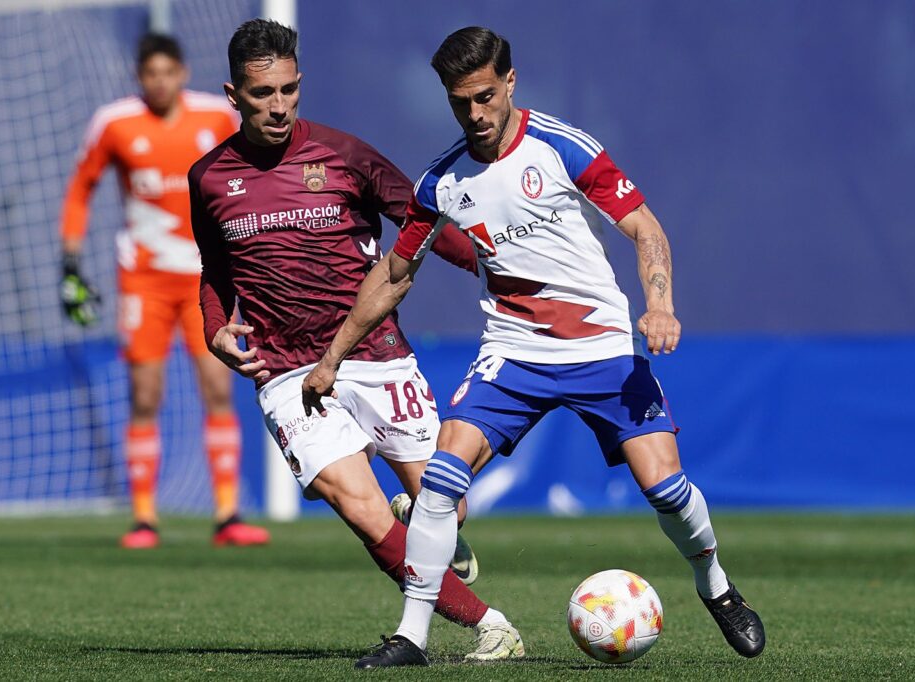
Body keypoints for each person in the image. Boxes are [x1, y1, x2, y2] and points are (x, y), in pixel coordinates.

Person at [302, 26, 766, 668]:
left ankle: (716, 588)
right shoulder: (442, 182)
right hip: (514, 355)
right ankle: (411, 637)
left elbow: (645, 228)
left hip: (602, 347)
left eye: (486, 96)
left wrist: (658, 305)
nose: (476, 113)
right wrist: (332, 358)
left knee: (666, 487)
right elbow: (393, 276)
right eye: (461, 101)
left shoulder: (562, 148)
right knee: (439, 482)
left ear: (510, 82)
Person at [188, 18, 523, 661]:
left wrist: (493, 266)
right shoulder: (208, 179)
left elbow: (425, 219)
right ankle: (491, 626)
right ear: (234, 95)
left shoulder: (346, 155)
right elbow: (213, 269)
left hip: (374, 352)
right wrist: (214, 330)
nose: (278, 106)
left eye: (288, 89)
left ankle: (433, 529)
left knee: (445, 513)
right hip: (285, 368)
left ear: (300, 83)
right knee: (358, 505)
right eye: (262, 94)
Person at [60, 33, 269, 549]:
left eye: (167, 72)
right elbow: (81, 187)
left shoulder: (215, 117)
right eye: (149, 74)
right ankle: (145, 518)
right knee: (146, 394)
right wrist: (70, 261)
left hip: (206, 278)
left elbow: (248, 176)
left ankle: (227, 514)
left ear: (182, 72)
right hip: (144, 279)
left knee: (218, 387)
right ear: (140, 77)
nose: (159, 82)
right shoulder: (114, 123)